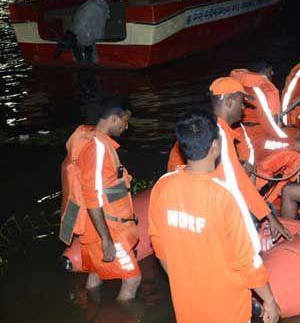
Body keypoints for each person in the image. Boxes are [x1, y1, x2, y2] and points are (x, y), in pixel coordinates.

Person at [148, 110, 280, 323]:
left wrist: (182, 281)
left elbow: (159, 245)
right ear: (216, 146)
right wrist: (270, 301)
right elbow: (247, 260)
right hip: (229, 309)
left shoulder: (163, 186)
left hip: (187, 306)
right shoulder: (225, 195)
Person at [166, 77, 292, 242]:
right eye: (241, 102)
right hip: (205, 208)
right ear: (229, 102)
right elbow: (236, 182)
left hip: (185, 199)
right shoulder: (220, 134)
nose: (243, 108)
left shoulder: (202, 126)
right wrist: (268, 217)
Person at [59, 97, 140, 301]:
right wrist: (107, 240)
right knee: (132, 280)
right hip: (106, 226)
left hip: (91, 225)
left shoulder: (87, 137)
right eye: (125, 121)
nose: (126, 126)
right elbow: (92, 195)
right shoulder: (98, 148)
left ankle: (89, 309)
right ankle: (124, 313)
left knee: (96, 272)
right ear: (113, 118)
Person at [230, 61, 288, 139]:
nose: (273, 73)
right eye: (270, 71)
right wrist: (285, 138)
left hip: (244, 129)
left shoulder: (245, 85)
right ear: (264, 73)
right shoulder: (260, 90)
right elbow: (270, 122)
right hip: (255, 133)